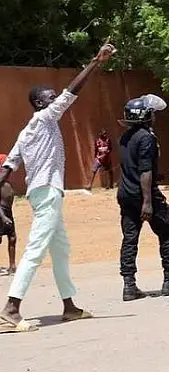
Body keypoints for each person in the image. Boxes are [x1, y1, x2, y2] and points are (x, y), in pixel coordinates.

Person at [0, 42, 115, 333]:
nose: (56, 101)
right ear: (40, 103)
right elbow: (71, 93)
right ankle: (11, 308)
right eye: (50, 98)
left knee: (60, 249)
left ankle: (69, 306)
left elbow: (8, 166)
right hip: (48, 191)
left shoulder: (26, 132)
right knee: (36, 249)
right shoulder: (44, 117)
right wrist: (95, 62)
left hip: (41, 193)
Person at [116, 95, 169, 301]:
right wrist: (148, 202)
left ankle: (129, 286)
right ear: (147, 116)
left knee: (129, 239)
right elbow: (145, 170)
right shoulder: (146, 137)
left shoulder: (125, 137)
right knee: (167, 233)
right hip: (144, 194)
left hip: (125, 193)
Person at [0, 155, 15, 277]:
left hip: (8, 212)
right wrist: (3, 217)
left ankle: (12, 265)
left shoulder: (6, 184)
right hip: (1, 213)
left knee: (12, 237)